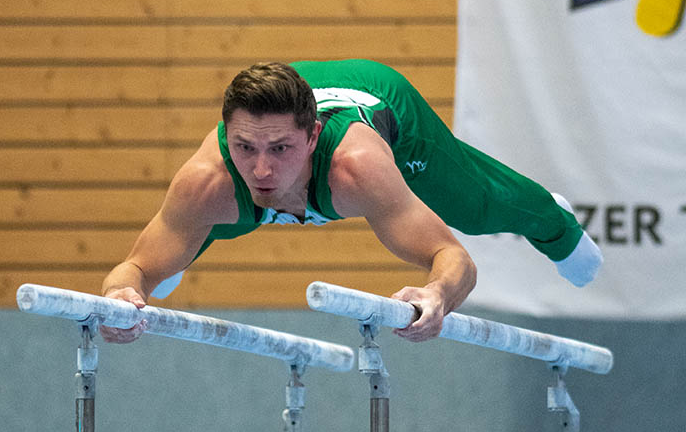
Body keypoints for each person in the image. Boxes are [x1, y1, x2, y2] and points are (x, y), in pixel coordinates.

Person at [99, 60, 602, 344]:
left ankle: (555, 222)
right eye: (244, 146)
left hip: (380, 103)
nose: (262, 168)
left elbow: (453, 258)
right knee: (195, 225)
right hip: (240, 171)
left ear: (314, 135)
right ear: (227, 133)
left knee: (474, 207)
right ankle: (183, 251)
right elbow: (129, 269)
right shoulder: (210, 178)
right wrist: (121, 294)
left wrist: (437, 297)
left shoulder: (357, 169)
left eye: (280, 149)